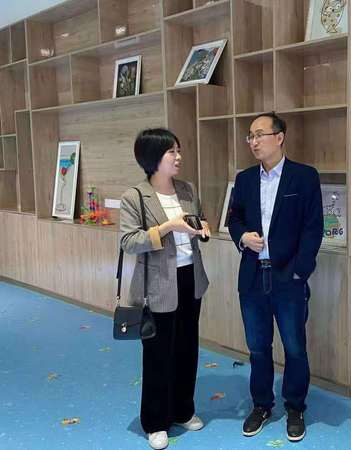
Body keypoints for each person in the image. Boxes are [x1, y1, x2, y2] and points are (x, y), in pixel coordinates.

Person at [228, 112, 323, 442]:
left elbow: (313, 228)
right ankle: (262, 405)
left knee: (294, 347)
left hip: (288, 277)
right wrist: (243, 237)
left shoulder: (304, 177)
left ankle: (295, 407)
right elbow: (234, 218)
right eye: (250, 136)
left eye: (260, 135)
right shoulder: (244, 179)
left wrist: (299, 271)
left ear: (279, 137)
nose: (253, 142)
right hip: (253, 275)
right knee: (257, 347)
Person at [120, 128, 211, 450]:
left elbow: (198, 221)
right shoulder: (134, 196)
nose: (178, 157)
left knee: (187, 348)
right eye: (171, 152)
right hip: (158, 284)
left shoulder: (187, 189)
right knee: (158, 354)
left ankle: (183, 410)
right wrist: (168, 227)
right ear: (153, 158)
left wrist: (203, 228)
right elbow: (129, 241)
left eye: (178, 150)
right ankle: (156, 421)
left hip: (190, 278)